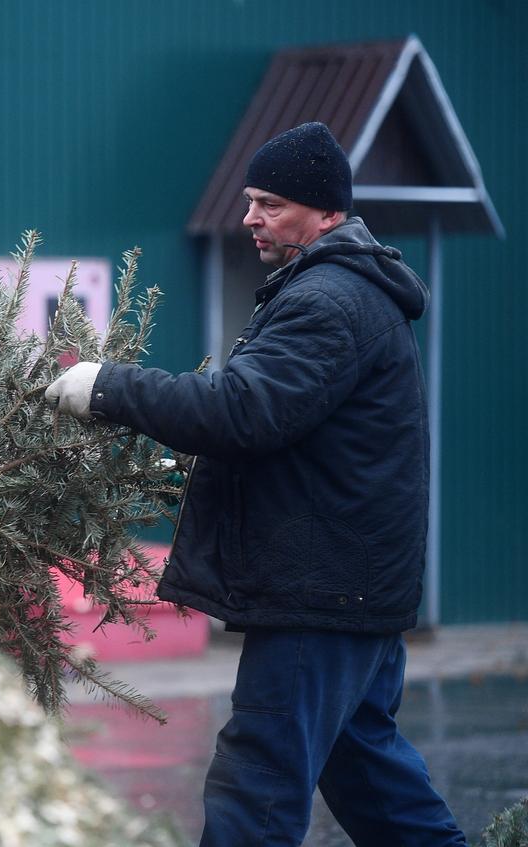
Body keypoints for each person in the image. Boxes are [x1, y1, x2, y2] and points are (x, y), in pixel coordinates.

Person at [45, 122, 466, 846]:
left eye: (270, 204)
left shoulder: (329, 301)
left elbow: (244, 409)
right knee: (372, 781)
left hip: (319, 594)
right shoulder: (340, 292)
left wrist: (105, 387)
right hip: (349, 586)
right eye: (250, 201)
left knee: (256, 786)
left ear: (327, 212)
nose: (249, 218)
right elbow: (287, 427)